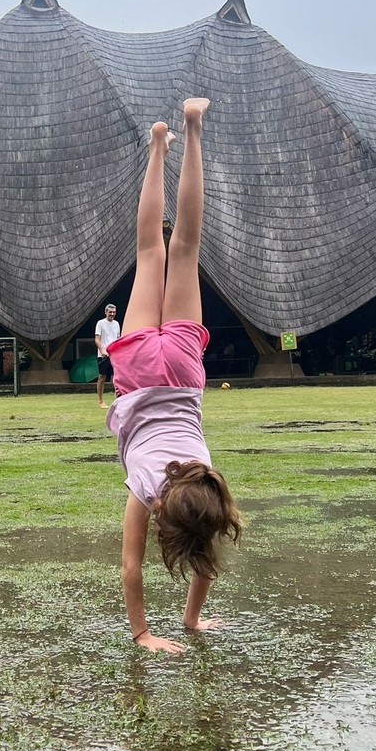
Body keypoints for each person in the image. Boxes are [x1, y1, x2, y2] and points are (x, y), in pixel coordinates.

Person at [106, 99, 241, 653]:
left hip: (181, 375)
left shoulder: (208, 481)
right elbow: (131, 569)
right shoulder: (146, 489)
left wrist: (171, 628)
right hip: (137, 373)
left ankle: (188, 129)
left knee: (182, 247)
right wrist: (146, 633)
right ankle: (157, 146)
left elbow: (202, 548)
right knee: (148, 252)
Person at [95, 302, 121, 406]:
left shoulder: (116, 324)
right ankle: (101, 401)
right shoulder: (100, 323)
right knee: (102, 377)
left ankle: (117, 400)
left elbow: (118, 338)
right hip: (103, 355)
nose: (112, 314)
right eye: (110, 312)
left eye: (114, 312)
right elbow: (97, 339)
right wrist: (102, 350)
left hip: (114, 354)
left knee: (116, 378)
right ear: (106, 312)